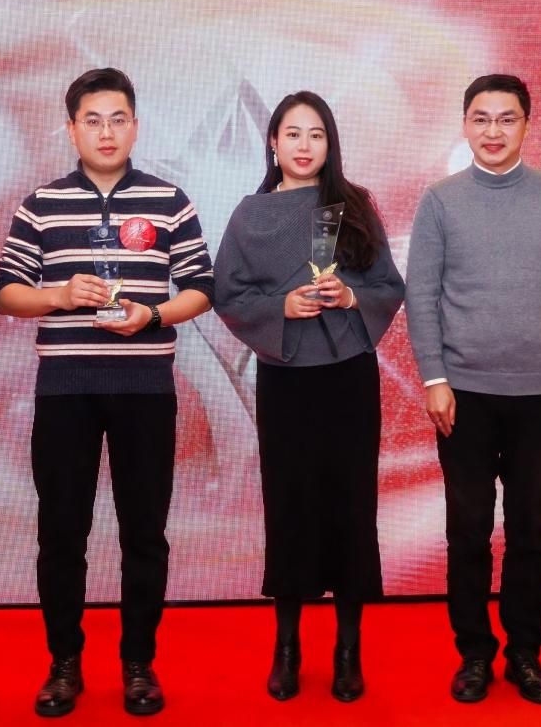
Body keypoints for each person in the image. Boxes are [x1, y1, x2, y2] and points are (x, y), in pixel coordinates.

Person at [0, 68, 214, 717]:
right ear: (71, 130)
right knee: (62, 532)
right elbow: (4, 291)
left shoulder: (170, 201)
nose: (106, 132)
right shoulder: (40, 204)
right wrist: (59, 295)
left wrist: (154, 315)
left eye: (118, 119)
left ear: (136, 127)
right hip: (65, 390)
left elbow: (202, 287)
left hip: (145, 389)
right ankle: (64, 663)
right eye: (93, 120)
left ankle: (139, 663)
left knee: (145, 533)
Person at [405, 74, 541, 705]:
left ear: (526, 126)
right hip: (462, 394)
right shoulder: (441, 200)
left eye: (507, 119)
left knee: (530, 530)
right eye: (482, 119)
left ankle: (524, 653)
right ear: (465, 125)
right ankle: (473, 654)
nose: (494, 131)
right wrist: (434, 378)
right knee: (467, 531)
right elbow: (421, 295)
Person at [213, 91, 404, 703]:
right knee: (289, 506)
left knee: (351, 506)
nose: (303, 145)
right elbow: (228, 296)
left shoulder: (354, 205)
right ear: (272, 142)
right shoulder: (250, 215)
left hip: (348, 377)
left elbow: (388, 285)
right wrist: (281, 307)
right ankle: (287, 645)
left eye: (315, 134)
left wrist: (351, 296)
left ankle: (349, 649)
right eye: (292, 133)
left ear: (330, 143)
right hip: (286, 377)